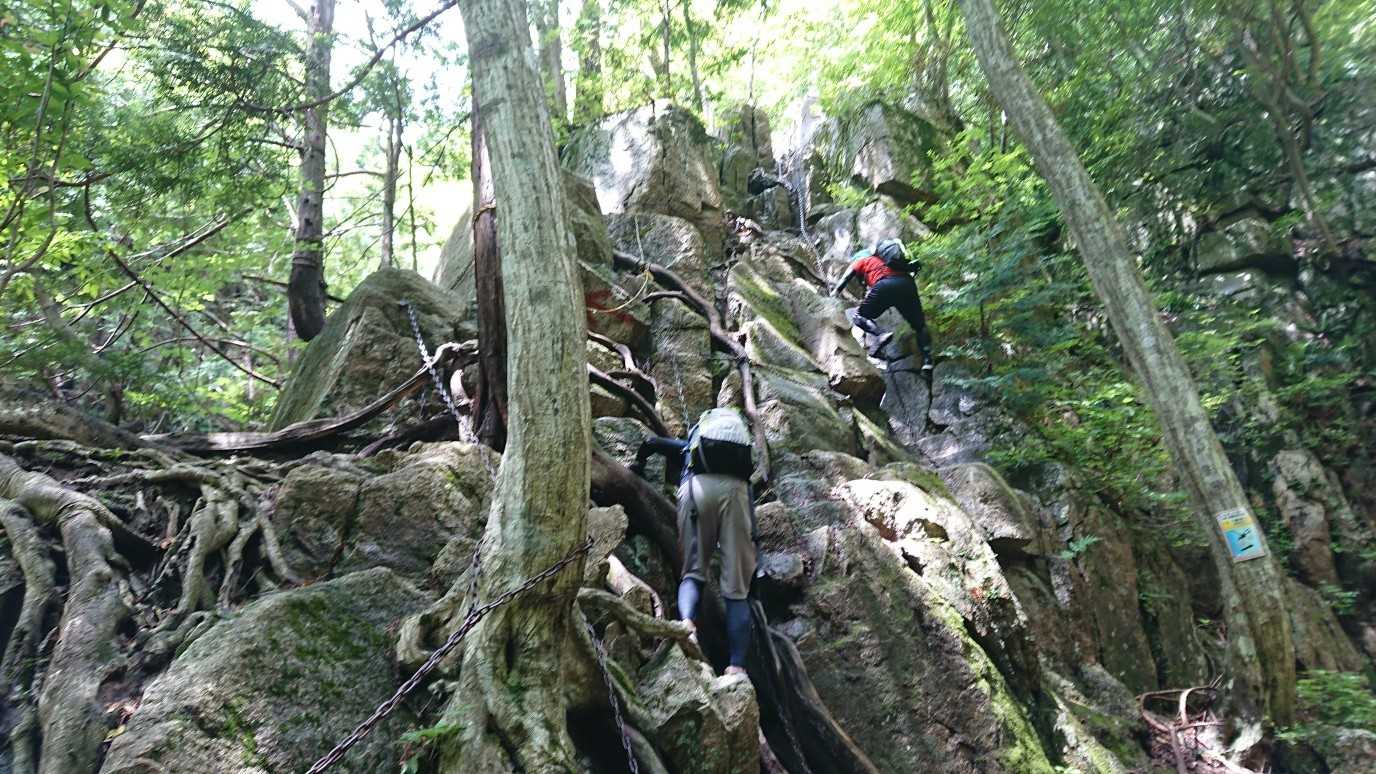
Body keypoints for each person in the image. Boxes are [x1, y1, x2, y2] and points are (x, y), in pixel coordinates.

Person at [629, 408, 757, 677]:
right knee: (737, 591)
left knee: (693, 574)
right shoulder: (738, 456)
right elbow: (749, 489)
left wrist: (638, 464)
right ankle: (736, 667)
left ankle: (687, 626)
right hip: (736, 493)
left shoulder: (691, 449)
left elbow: (651, 443)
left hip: (695, 488)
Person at [829, 238, 934, 371]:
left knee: (859, 316)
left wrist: (834, 293)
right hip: (907, 283)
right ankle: (928, 360)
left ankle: (880, 335)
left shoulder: (861, 261)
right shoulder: (885, 262)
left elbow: (846, 278)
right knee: (920, 326)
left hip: (885, 286)